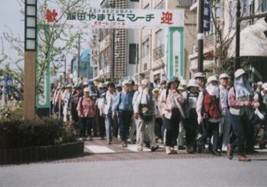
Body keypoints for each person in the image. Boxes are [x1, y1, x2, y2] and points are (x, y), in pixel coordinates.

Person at [227, 68, 256, 161]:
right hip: (234, 113)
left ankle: (231, 145)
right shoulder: (233, 89)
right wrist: (243, 103)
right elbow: (231, 102)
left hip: (244, 113)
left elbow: (250, 100)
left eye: (244, 76)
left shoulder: (248, 88)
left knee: (246, 132)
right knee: (240, 134)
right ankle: (241, 154)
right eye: (240, 77)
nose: (242, 79)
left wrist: (253, 104)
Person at [197, 76, 221, 156]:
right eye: (212, 82)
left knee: (216, 133)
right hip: (206, 115)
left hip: (216, 115)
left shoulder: (218, 91)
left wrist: (221, 113)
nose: (214, 84)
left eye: (215, 82)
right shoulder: (204, 92)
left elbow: (219, 104)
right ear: (209, 83)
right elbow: (199, 105)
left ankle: (214, 149)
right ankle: (199, 142)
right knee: (206, 133)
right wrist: (199, 115)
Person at [133, 79, 159, 152]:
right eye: (145, 84)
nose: (147, 86)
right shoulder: (139, 93)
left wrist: (155, 113)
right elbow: (136, 103)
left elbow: (154, 104)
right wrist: (136, 112)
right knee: (140, 129)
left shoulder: (151, 94)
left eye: (148, 84)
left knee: (150, 129)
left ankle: (153, 144)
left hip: (150, 113)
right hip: (141, 112)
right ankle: (139, 145)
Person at [162, 77, 185, 154]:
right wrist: (166, 108)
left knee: (175, 129)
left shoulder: (178, 92)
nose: (174, 85)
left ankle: (172, 146)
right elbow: (162, 102)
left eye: (176, 83)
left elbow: (182, 100)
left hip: (177, 112)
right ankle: (167, 146)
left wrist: (176, 94)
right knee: (168, 129)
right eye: (173, 83)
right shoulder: (165, 92)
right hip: (168, 112)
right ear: (169, 84)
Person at [112, 80, 134, 147]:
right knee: (122, 126)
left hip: (129, 112)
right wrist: (113, 111)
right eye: (126, 85)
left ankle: (125, 139)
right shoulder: (120, 94)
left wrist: (133, 111)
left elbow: (132, 103)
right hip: (121, 111)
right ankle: (123, 140)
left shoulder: (131, 94)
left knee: (127, 126)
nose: (128, 86)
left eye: (128, 85)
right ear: (123, 86)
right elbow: (116, 103)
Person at [184, 79, 199, 153]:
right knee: (188, 131)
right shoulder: (186, 94)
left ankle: (194, 146)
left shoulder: (198, 94)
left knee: (195, 130)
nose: (193, 88)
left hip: (196, 113)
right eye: (192, 87)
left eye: (195, 87)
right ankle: (188, 146)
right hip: (188, 114)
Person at [218, 73, 231, 151]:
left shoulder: (228, 89)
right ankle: (216, 145)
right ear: (220, 80)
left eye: (226, 79)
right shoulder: (218, 89)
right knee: (220, 129)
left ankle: (224, 145)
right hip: (220, 110)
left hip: (227, 110)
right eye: (223, 79)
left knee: (227, 128)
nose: (225, 80)